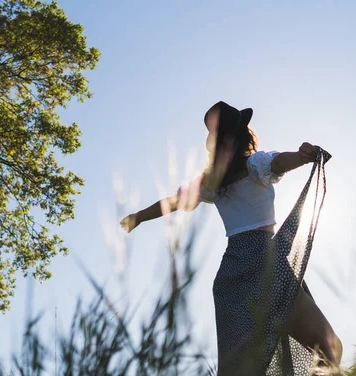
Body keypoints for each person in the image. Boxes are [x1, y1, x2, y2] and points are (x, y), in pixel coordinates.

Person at [121, 101, 341, 375]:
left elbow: (174, 202)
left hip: (232, 276)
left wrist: (139, 216)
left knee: (249, 368)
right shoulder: (254, 165)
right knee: (329, 349)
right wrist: (301, 156)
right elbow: (278, 161)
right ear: (242, 134)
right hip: (264, 262)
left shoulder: (210, 183)